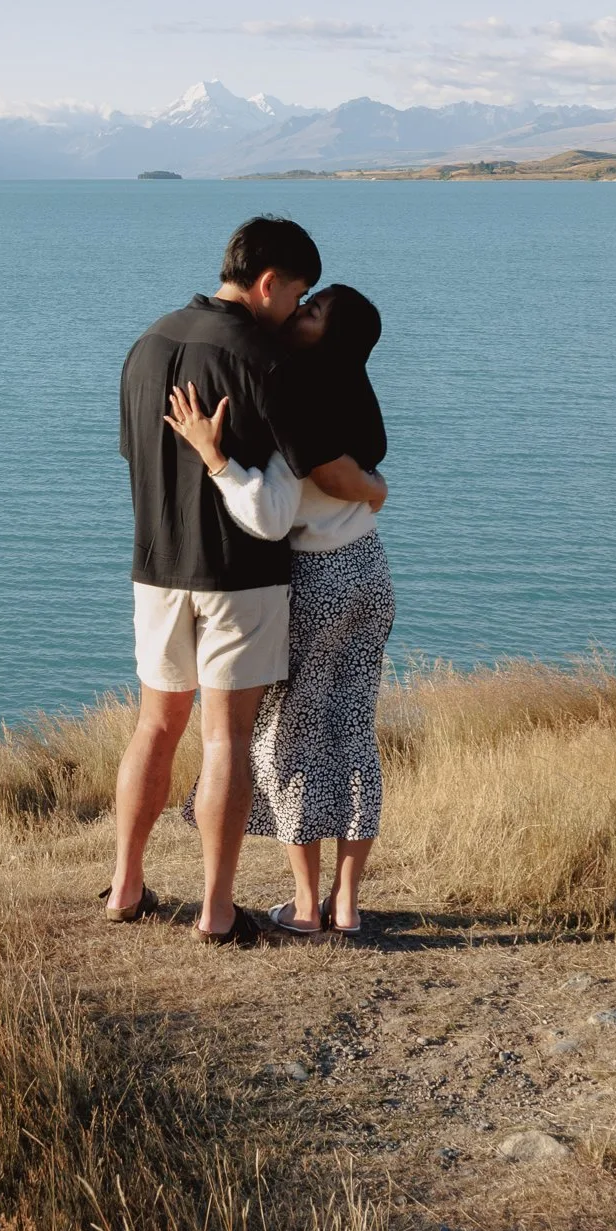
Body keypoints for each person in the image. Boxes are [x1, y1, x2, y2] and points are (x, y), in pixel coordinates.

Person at [110, 218, 376, 945]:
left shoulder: (147, 345)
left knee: (153, 726)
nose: (297, 309)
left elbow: (130, 455)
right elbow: (304, 482)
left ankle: (126, 886)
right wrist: (371, 489)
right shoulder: (267, 362)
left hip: (156, 568)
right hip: (240, 578)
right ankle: (217, 911)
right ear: (269, 284)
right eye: (297, 295)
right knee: (224, 739)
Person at [166, 283, 393, 939]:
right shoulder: (352, 393)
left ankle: (303, 905)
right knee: (351, 736)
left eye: (314, 310)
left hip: (318, 578)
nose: (299, 311)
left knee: (290, 740)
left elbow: (269, 518)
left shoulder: (295, 398)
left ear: (331, 336)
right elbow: (363, 486)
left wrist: (213, 458)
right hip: (369, 571)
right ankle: (346, 905)